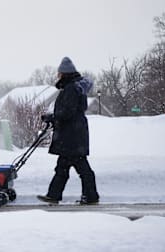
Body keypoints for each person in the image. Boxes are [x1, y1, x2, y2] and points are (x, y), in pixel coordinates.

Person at [37, 57, 100, 205]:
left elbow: (68, 112)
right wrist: (53, 117)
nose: (57, 75)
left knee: (80, 168)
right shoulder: (73, 87)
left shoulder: (71, 89)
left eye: (59, 73)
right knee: (63, 168)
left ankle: (90, 197)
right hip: (73, 135)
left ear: (64, 73)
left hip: (72, 136)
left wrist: (52, 117)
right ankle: (54, 195)